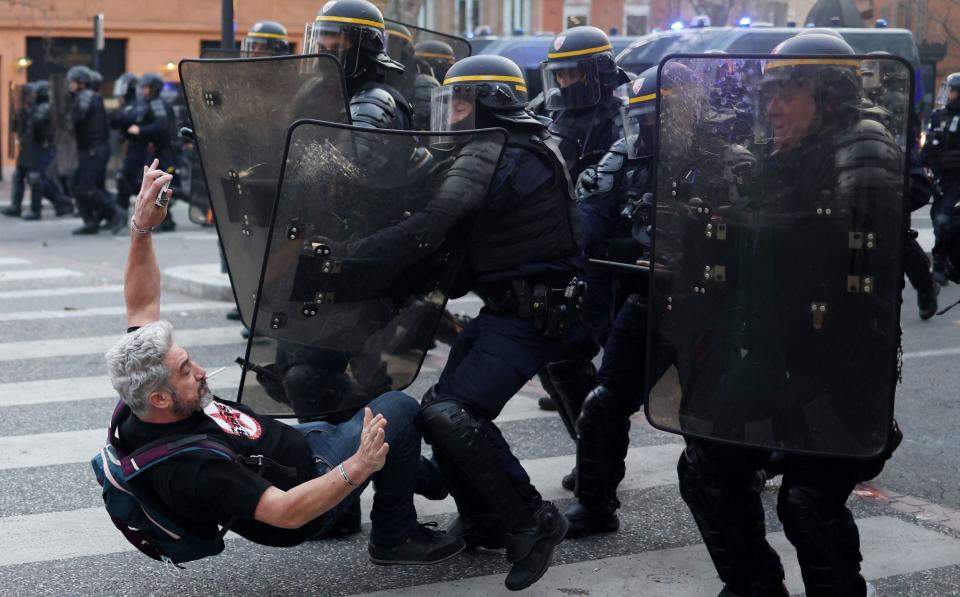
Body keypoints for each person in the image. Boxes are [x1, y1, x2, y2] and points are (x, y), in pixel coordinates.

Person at [104, 160, 464, 565]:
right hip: (308, 488)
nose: (201, 371)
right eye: (186, 372)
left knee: (350, 423)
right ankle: (395, 536)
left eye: (189, 361)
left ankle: (431, 478)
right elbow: (285, 512)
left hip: (298, 446)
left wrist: (142, 226)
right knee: (396, 410)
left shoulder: (140, 376)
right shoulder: (192, 468)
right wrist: (357, 467)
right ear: (161, 399)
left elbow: (141, 302)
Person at [676, 35, 903, 597]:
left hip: (839, 366)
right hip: (777, 355)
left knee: (806, 503)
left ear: (827, 97)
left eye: (788, 93)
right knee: (704, 467)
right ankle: (753, 586)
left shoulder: (864, 149)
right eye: (768, 93)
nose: (772, 107)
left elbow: (854, 249)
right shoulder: (780, 155)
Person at [414, 54, 586, 591]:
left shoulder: (513, 156)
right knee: (434, 409)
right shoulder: (493, 153)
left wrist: (362, 258)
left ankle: (535, 520)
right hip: (506, 307)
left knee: (454, 413)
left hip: (534, 313)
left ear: (493, 102)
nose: (454, 113)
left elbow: (437, 220)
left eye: (462, 101)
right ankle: (486, 519)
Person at [538, 27, 629, 439]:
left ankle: (597, 455)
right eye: (559, 75)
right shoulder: (550, 113)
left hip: (603, 255)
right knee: (554, 359)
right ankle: (592, 450)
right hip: (560, 246)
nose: (564, 83)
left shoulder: (621, 120)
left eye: (573, 74)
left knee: (571, 358)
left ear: (598, 73)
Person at [67, 65, 125, 235]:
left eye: (72, 82)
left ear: (81, 83)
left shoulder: (86, 96)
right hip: (89, 149)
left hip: (93, 150)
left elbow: (76, 119)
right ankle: (91, 220)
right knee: (79, 187)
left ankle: (116, 213)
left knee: (87, 187)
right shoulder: (83, 97)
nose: (70, 85)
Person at [922, 72, 960, 285]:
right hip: (940, 180)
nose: (948, 95)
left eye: (952, 91)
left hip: (958, 181)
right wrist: (925, 168)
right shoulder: (938, 116)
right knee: (938, 219)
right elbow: (928, 147)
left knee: (944, 221)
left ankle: (941, 267)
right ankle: (944, 264)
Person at [131, 72, 178, 232]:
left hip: (165, 151)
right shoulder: (155, 102)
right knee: (161, 185)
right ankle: (167, 219)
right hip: (161, 150)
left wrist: (140, 130)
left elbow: (161, 126)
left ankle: (166, 219)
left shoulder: (157, 103)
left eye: (147, 87)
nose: (144, 90)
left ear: (154, 88)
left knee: (164, 185)